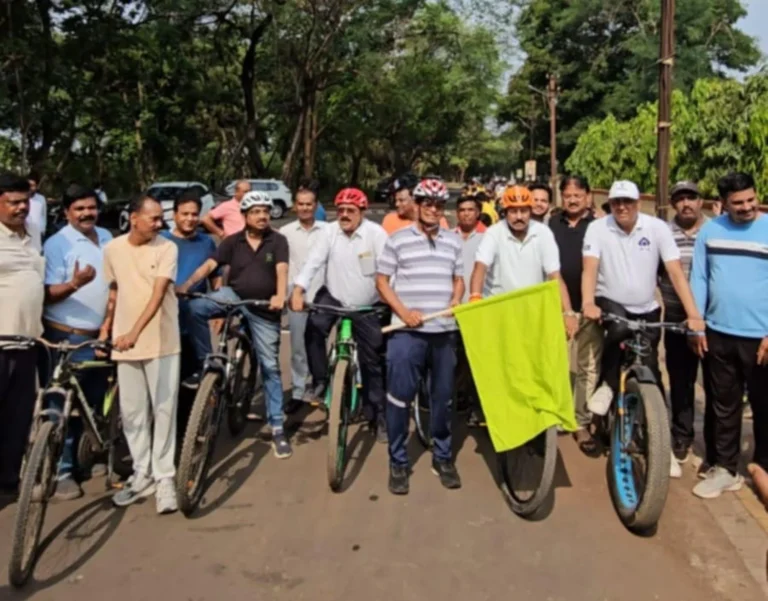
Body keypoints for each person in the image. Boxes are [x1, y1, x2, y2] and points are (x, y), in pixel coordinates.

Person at [581, 180, 705, 478]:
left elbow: (675, 271)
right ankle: (610, 385)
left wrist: (693, 315)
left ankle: (659, 444)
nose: (622, 207)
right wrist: (587, 301)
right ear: (609, 205)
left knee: (651, 369)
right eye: (616, 203)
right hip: (608, 302)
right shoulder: (598, 229)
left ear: (638, 203)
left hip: (648, 308)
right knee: (620, 331)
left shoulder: (657, 228)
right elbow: (590, 268)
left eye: (628, 202)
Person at [178, 191, 290, 458]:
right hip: (235, 296)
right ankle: (210, 361)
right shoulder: (232, 241)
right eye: (255, 212)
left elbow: (282, 271)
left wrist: (279, 295)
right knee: (195, 308)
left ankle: (277, 425)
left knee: (271, 366)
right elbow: (209, 265)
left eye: (265, 210)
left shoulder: (278, 240)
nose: (262, 216)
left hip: (264, 307)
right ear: (245, 216)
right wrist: (186, 285)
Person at [376, 178, 464, 494]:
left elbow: (459, 279)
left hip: (443, 332)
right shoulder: (397, 239)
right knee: (399, 398)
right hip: (406, 333)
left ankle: (443, 457)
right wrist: (403, 312)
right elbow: (382, 282)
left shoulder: (454, 241)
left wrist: (456, 298)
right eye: (427, 203)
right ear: (416, 204)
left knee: (442, 399)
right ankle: (398, 462)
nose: (433, 209)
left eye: (439, 204)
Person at [689, 172, 768, 499]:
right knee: (723, 404)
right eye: (738, 203)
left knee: (765, 405)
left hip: (762, 338)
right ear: (722, 203)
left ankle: (763, 465)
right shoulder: (710, 232)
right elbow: (700, 278)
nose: (747, 207)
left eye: (751, 200)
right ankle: (725, 468)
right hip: (718, 332)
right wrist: (696, 324)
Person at [290, 188, 388, 441]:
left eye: (350, 211)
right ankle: (321, 380)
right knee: (312, 329)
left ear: (362, 212)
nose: (344, 215)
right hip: (333, 295)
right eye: (341, 210)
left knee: (373, 360)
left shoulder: (376, 235)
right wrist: (299, 290)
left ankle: (376, 413)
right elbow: (313, 261)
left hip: (366, 304)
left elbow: (389, 269)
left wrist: (390, 301)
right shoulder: (329, 232)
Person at [103, 195, 180, 513]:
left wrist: (135, 332)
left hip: (161, 342)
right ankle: (142, 474)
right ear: (133, 218)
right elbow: (114, 291)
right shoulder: (113, 249)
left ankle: (165, 478)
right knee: (133, 414)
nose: (159, 223)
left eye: (161, 218)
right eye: (153, 218)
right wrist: (107, 327)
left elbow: (159, 292)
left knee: (163, 410)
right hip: (124, 344)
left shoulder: (167, 248)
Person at [42, 184, 113, 500]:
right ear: (67, 212)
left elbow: (115, 285)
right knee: (61, 406)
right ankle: (62, 471)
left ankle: (90, 459)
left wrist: (108, 326)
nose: (87, 213)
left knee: (94, 403)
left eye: (91, 208)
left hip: (101, 335)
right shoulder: (57, 244)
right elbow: (46, 292)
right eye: (79, 209)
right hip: (66, 336)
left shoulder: (108, 237)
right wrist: (75, 283)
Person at [469, 186, 578, 343]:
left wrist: (568, 312)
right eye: (513, 211)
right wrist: (475, 299)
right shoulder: (494, 233)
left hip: (533, 313)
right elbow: (480, 268)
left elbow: (555, 276)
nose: (519, 217)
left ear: (530, 211)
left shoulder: (543, 233)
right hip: (500, 312)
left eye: (524, 211)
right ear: (505, 212)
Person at [659, 181, 710, 466]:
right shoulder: (663, 233)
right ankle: (682, 434)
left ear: (700, 201)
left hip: (712, 318)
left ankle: (715, 445)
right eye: (680, 199)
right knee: (680, 380)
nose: (686, 203)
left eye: (691, 197)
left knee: (716, 384)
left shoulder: (713, 230)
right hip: (677, 317)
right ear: (673, 203)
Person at [0, 174, 44, 502]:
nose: (21, 208)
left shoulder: (35, 234)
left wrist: (73, 285)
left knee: (18, 421)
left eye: (24, 201)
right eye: (13, 202)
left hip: (27, 345)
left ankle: (8, 485)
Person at [548, 175, 599, 453]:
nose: (572, 199)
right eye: (567, 194)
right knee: (561, 364)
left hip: (591, 308)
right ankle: (559, 414)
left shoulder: (600, 226)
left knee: (587, 367)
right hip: (558, 307)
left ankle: (581, 422)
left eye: (578, 194)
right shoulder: (552, 225)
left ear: (588, 197)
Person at [159, 189, 221, 388]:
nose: (190, 219)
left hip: (193, 321)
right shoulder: (160, 240)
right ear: (174, 214)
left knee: (192, 380)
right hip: (163, 319)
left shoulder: (207, 242)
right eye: (185, 214)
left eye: (194, 214)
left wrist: (219, 309)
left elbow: (216, 278)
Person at [279, 180, 329, 414]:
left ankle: (326, 388)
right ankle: (298, 392)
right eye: (301, 204)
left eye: (309, 204)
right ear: (294, 206)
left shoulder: (329, 231)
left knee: (322, 344)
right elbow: (283, 266)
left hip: (324, 295)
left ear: (316, 205)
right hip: (296, 297)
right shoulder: (285, 232)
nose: (305, 208)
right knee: (298, 346)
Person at [454, 195, 486, 426]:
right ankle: (457, 400)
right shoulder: (447, 238)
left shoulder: (488, 239)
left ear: (478, 213)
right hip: (451, 308)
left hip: (478, 308)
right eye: (462, 210)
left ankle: (478, 407)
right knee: (453, 359)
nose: (466, 214)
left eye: (470, 210)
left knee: (477, 361)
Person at [382, 173, 449, 234]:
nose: (397, 204)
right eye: (395, 200)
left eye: (401, 200)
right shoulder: (390, 220)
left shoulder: (437, 220)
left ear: (414, 199)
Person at [26, 171, 47, 248]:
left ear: (37, 186)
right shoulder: (22, 199)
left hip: (39, 232)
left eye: (33, 186)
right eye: (29, 185)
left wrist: (43, 229)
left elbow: (44, 215)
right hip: (26, 233)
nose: (31, 188)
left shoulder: (41, 198)